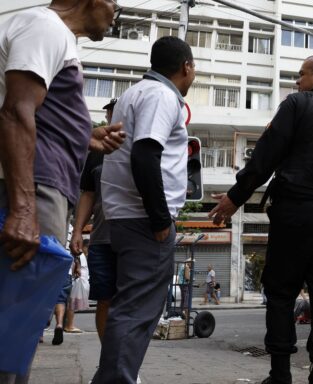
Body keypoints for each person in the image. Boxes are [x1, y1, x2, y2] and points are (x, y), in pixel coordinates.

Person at [208, 54, 313, 384]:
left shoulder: (297, 105)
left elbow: (266, 155)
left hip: (294, 213)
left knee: (281, 292)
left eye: (301, 75)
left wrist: (235, 198)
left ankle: (280, 374)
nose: (297, 82)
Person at [0, 1, 124, 382]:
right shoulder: (46, 28)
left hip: (42, 185)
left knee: (19, 328)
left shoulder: (54, 35)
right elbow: (16, 112)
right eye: (114, 2)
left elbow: (39, 114)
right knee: (13, 324)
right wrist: (23, 209)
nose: (116, 11)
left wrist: (84, 137)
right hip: (33, 188)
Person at [92, 36, 195, 384]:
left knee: (128, 310)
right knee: (135, 312)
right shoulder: (161, 96)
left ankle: (110, 377)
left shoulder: (133, 94)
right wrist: (160, 217)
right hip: (143, 220)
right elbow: (145, 154)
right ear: (186, 67)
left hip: (125, 216)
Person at [70, 98, 119, 341]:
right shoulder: (96, 151)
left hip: (135, 238)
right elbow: (88, 193)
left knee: (132, 303)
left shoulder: (140, 144)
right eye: (110, 112)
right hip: (101, 238)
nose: (112, 116)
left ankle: (127, 365)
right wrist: (78, 230)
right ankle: (109, 361)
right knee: (105, 301)